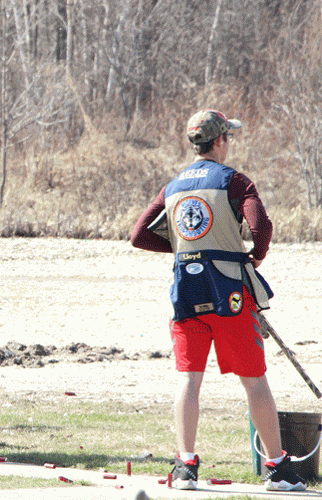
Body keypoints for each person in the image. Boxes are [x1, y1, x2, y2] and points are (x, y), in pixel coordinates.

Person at [130, 110, 305, 491]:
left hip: (186, 294)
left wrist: (184, 247)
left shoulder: (172, 187)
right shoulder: (235, 181)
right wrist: (256, 255)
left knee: (189, 380)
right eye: (230, 137)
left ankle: (186, 466)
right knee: (254, 382)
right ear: (220, 140)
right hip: (230, 296)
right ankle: (276, 467)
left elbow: (139, 235)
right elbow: (260, 226)